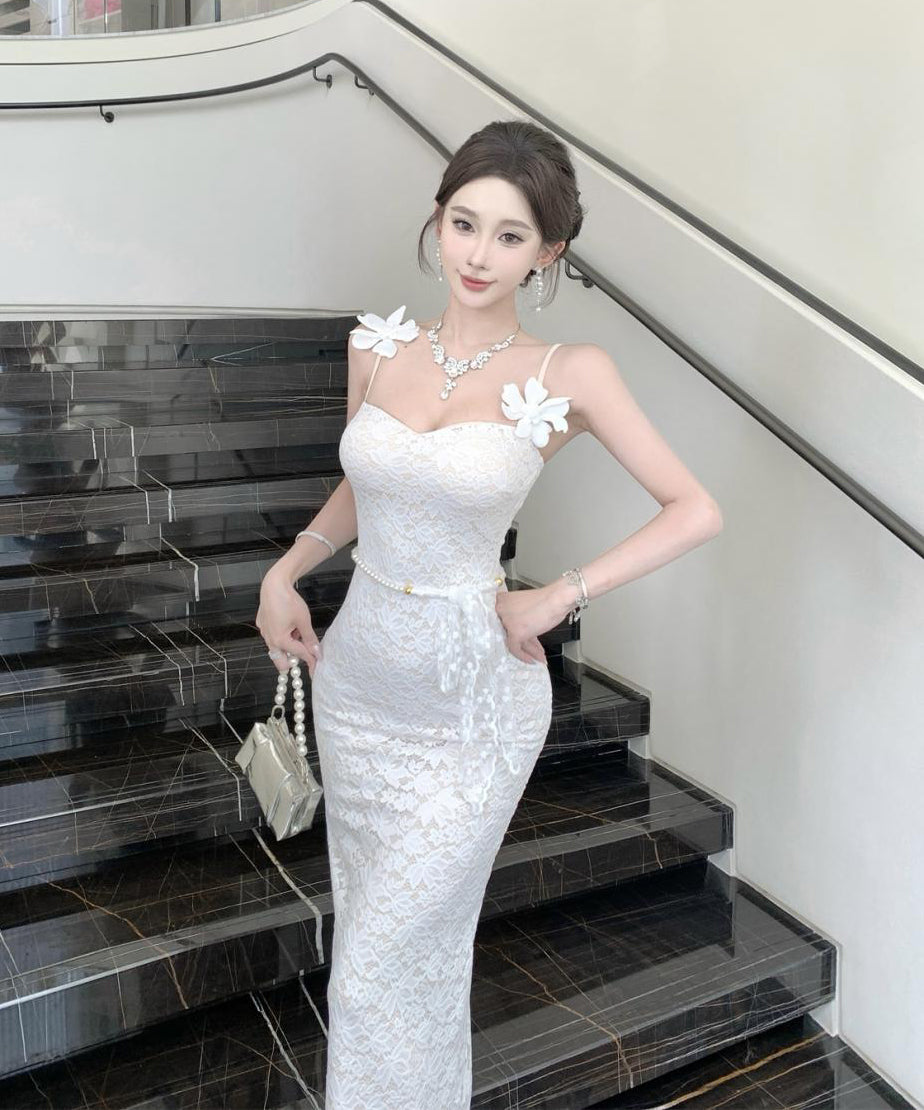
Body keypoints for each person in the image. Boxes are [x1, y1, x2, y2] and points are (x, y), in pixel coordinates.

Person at [255, 119, 723, 1109]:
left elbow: (695, 508)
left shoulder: (568, 373)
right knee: (391, 955)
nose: (478, 254)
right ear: (438, 220)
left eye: (510, 236)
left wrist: (561, 594)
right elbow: (364, 491)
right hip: (358, 688)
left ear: (549, 253)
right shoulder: (375, 348)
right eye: (464, 223)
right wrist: (287, 571)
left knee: (378, 963)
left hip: (471, 709)